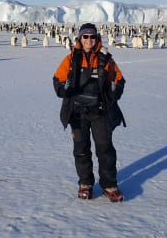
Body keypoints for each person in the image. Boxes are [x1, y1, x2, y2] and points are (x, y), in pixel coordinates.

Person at [52, 23, 126, 202]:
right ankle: (85, 183)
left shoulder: (105, 59)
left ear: (97, 38)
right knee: (81, 149)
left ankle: (109, 185)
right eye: (85, 37)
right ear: (80, 38)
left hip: (100, 111)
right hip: (77, 112)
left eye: (92, 36)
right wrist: (63, 89)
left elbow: (119, 79)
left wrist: (115, 91)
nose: (89, 40)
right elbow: (58, 79)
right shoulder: (70, 59)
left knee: (105, 148)